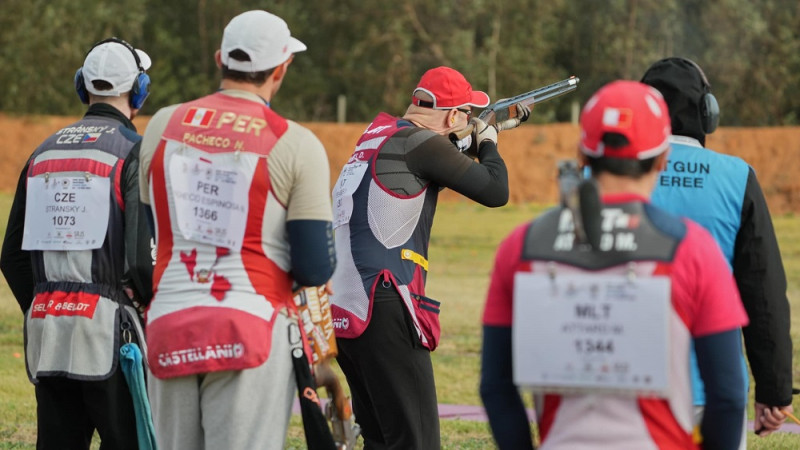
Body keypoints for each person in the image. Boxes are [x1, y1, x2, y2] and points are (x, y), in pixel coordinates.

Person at [480, 80, 749, 449]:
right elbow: (729, 395)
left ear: (581, 155)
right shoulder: (693, 249)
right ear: (662, 158)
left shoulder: (520, 247)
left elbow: (495, 387)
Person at [136, 10, 335, 450]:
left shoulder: (161, 125)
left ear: (218, 59)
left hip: (169, 321)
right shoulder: (295, 142)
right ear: (281, 69)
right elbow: (315, 266)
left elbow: (158, 229)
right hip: (252, 327)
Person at [329, 65, 528, 449]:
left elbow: (437, 156)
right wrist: (488, 142)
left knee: (382, 439)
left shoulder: (381, 136)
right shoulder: (419, 144)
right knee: (416, 441)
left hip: (347, 305)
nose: (469, 121)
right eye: (466, 114)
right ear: (452, 116)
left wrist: (483, 135)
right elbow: (494, 190)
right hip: (383, 302)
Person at [0, 37, 154, 449]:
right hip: (113, 338)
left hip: (46, 332)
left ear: (81, 86)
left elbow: (11, 256)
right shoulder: (134, 152)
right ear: (139, 90)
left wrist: (43, 303)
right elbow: (143, 261)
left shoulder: (42, 153)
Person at [643, 57, 794, 443]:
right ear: (707, 113)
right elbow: (763, 293)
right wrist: (773, 390)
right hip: (712, 387)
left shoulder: (600, 176)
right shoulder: (737, 176)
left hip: (619, 386)